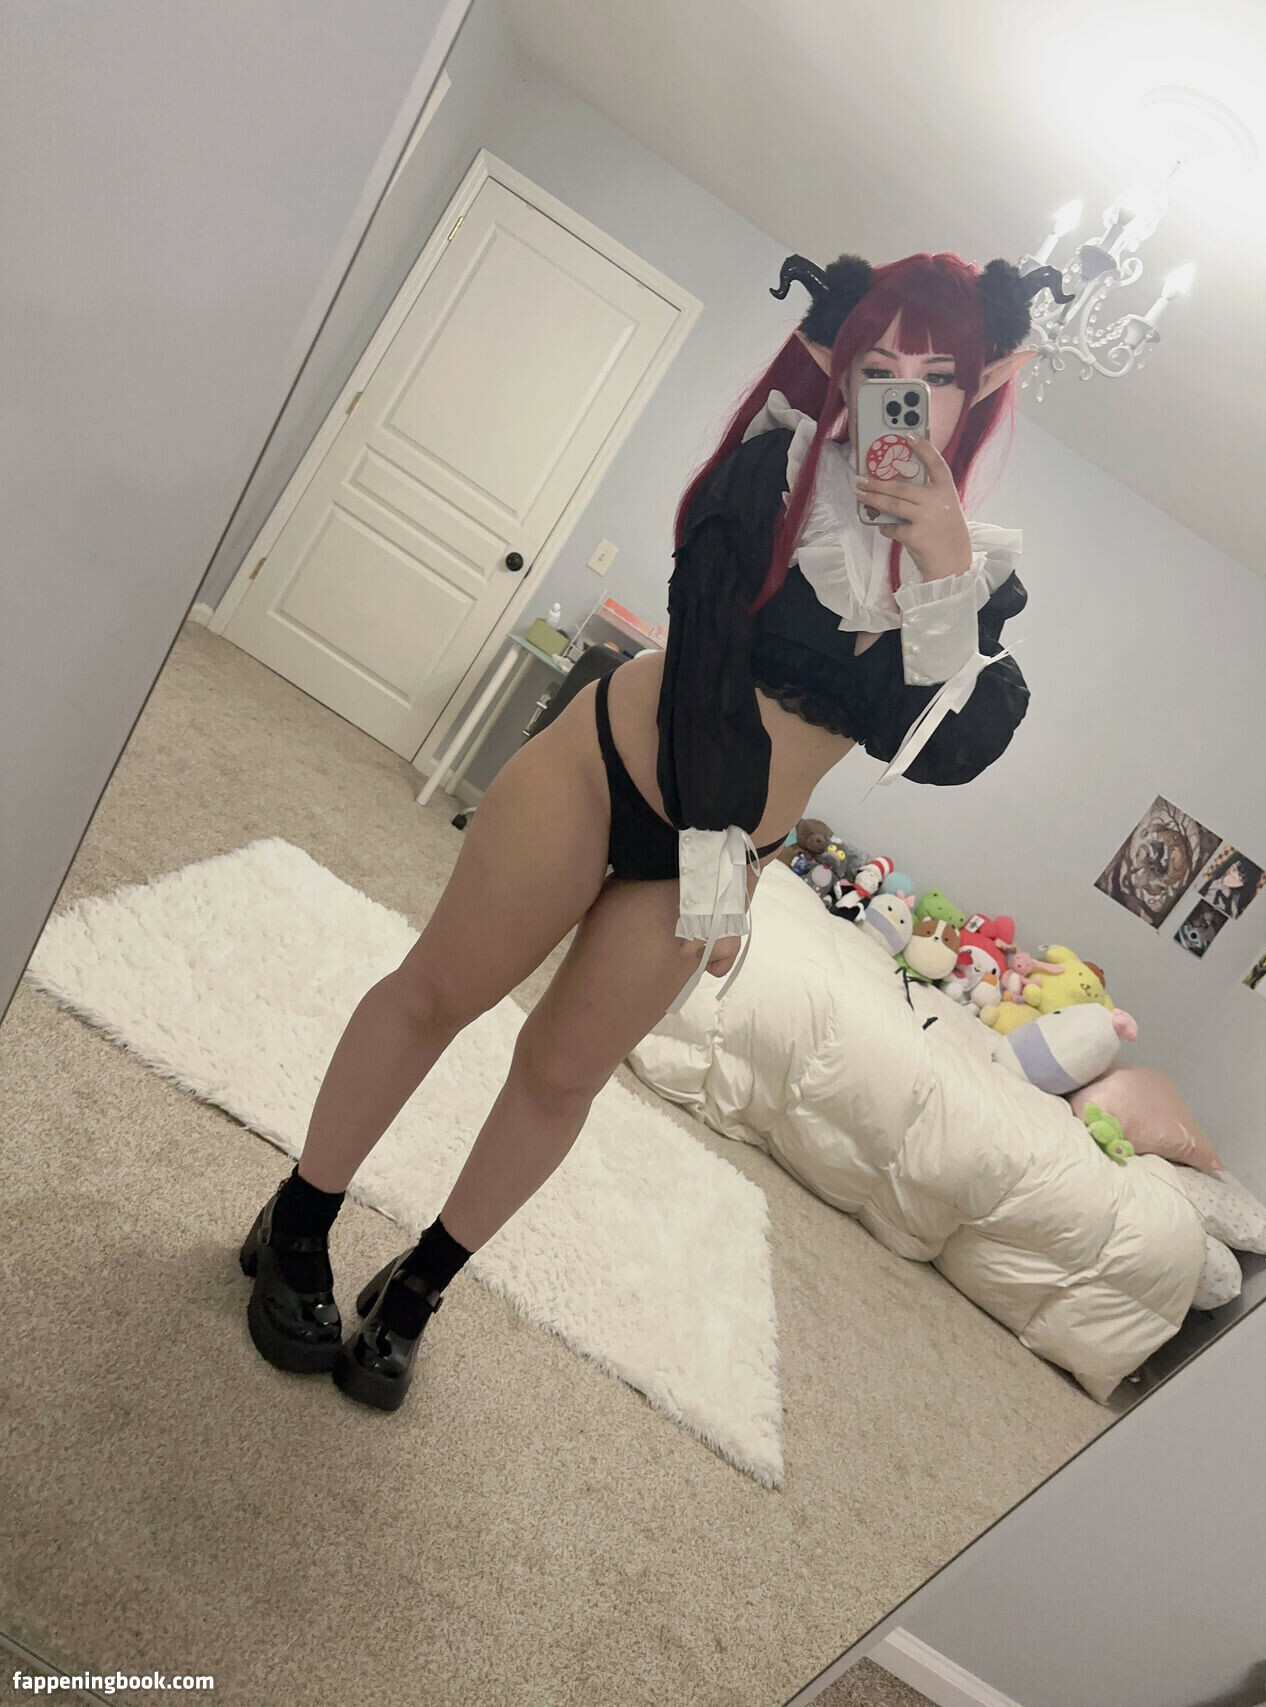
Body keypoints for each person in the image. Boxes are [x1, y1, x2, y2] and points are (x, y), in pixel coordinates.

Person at [238, 247, 1059, 1412]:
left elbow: (939, 749)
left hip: (719, 851)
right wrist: (721, 871)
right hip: (607, 773)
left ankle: (418, 1286)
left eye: (936, 377)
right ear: (838, 368)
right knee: (438, 993)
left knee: (564, 1073)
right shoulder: (772, 469)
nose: (905, 398)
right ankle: (297, 1221)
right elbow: (707, 668)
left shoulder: (969, 577)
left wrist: (940, 566)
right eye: (879, 367)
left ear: (978, 389)